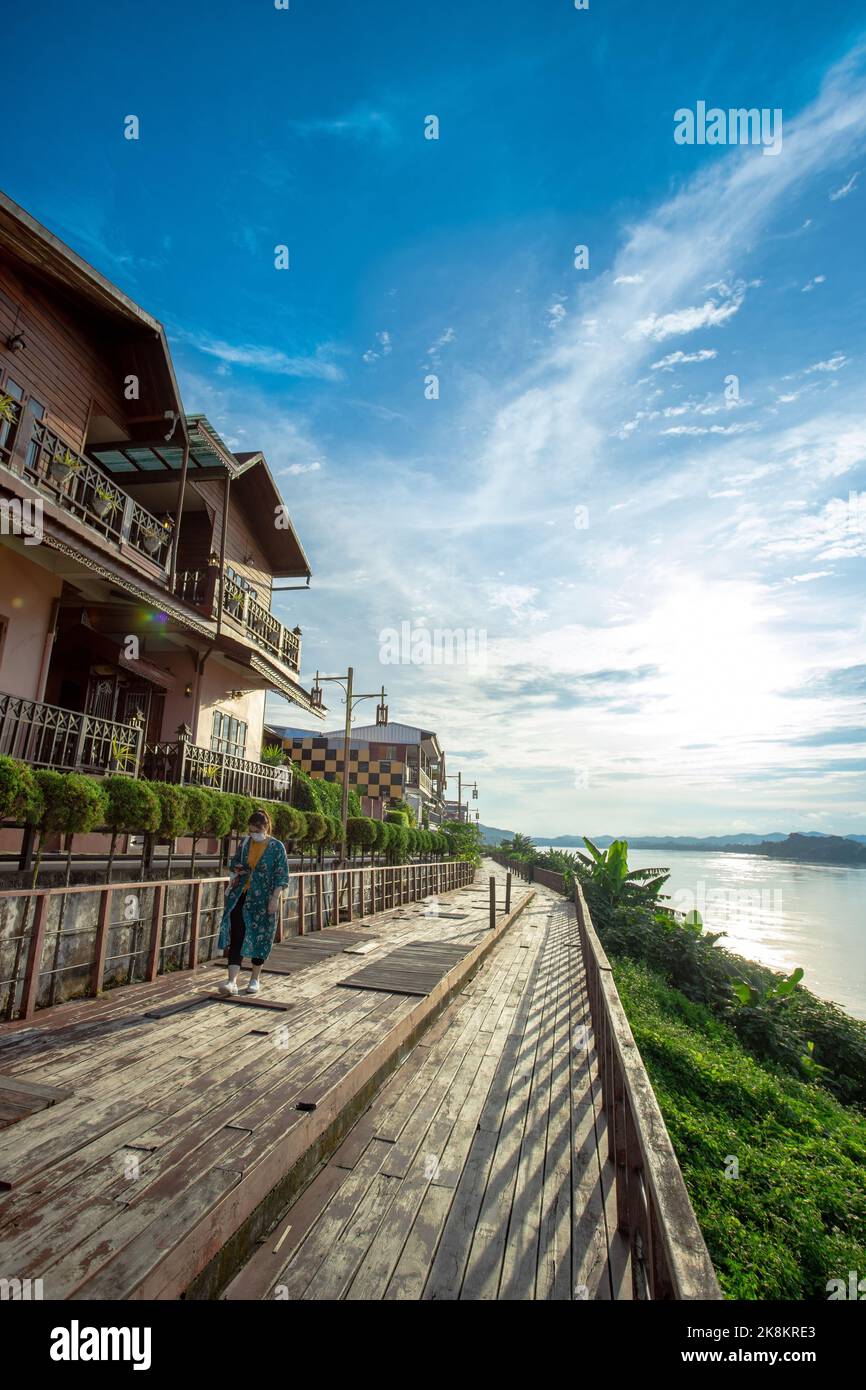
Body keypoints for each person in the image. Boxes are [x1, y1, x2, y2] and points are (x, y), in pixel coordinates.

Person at [216, 809, 289, 996]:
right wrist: (238, 870)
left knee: (261, 935)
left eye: (256, 830)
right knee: (237, 934)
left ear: (265, 828)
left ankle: (255, 979)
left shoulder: (277, 847)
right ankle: (231, 980)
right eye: (250, 830)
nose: (253, 834)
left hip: (264, 899)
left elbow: (282, 875)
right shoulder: (245, 843)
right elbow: (234, 862)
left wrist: (275, 898)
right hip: (242, 894)